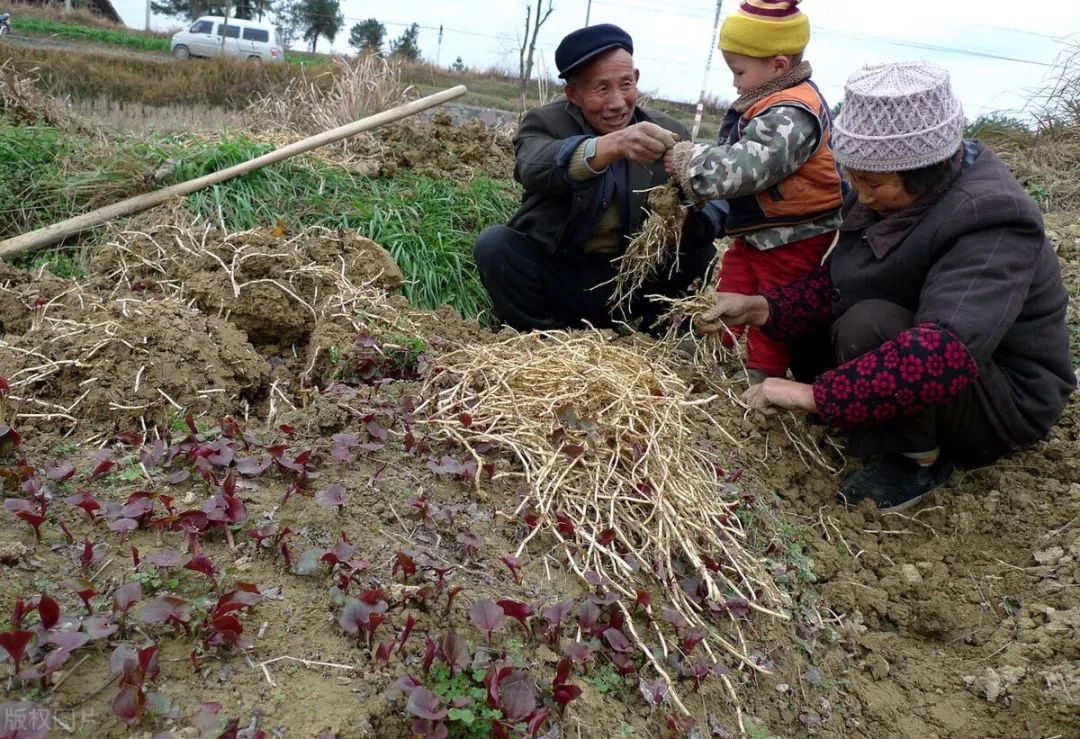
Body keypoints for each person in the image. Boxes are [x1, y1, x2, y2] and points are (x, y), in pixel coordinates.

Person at [697, 61, 1076, 511]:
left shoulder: (992, 218)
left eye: (872, 184)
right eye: (853, 176)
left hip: (1001, 400)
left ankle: (916, 461)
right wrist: (762, 307)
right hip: (921, 354)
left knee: (868, 324)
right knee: (830, 325)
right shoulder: (886, 191)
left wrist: (812, 395)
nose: (859, 192)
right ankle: (869, 417)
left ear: (924, 171)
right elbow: (842, 284)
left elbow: (944, 353)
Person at [473, 23, 725, 332]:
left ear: (636, 79)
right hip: (565, 278)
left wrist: (690, 219)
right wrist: (612, 145)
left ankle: (656, 330)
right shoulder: (544, 123)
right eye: (602, 89)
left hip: (633, 282)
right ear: (573, 94)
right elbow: (533, 165)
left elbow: (715, 199)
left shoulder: (667, 130)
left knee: (702, 247)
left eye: (626, 84)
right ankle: (542, 337)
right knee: (495, 246)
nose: (618, 102)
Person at [664, 0, 843, 384]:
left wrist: (690, 163)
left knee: (772, 301)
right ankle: (714, 345)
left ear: (778, 65)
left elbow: (744, 168)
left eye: (739, 70)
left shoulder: (792, 114)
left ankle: (763, 372)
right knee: (735, 280)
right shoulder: (771, 101)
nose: (734, 82)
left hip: (796, 234)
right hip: (762, 230)